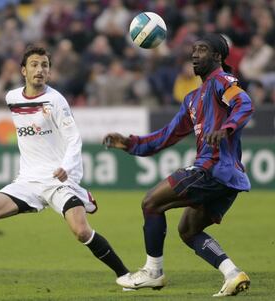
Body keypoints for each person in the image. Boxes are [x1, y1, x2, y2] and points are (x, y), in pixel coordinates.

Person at [0, 45, 129, 284]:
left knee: (81, 231)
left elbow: (73, 138)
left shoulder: (56, 100)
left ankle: (125, 275)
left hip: (58, 180)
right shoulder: (12, 98)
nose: (40, 70)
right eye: (34, 65)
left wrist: (66, 167)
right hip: (28, 180)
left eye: (44, 65)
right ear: (23, 71)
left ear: (49, 71)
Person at [103, 33, 253, 297]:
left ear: (217, 56)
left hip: (212, 168)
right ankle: (232, 273)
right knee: (188, 230)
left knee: (151, 203)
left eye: (203, 50)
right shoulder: (192, 99)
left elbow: (244, 103)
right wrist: (130, 143)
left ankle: (153, 272)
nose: (195, 54)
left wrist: (226, 128)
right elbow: (165, 136)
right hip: (226, 179)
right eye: (194, 50)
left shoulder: (222, 81)